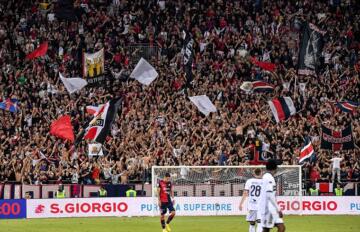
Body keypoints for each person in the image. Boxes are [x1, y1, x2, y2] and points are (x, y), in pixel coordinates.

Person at [259, 159, 285, 232]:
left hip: (267, 207)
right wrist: (278, 208)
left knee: (266, 229)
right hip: (269, 208)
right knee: (281, 228)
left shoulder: (266, 177)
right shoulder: (269, 178)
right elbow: (270, 195)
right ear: (275, 168)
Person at [239, 168, 263, 232]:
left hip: (252, 204)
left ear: (254, 173)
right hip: (261, 205)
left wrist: (241, 204)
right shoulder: (264, 181)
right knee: (260, 223)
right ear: (261, 173)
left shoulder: (249, 181)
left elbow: (245, 193)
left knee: (252, 223)